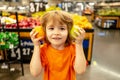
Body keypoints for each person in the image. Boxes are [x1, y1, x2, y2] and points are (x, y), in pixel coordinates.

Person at [30, 10, 86, 80]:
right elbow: (35, 72)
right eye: (51, 28)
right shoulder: (43, 50)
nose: (56, 33)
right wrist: (36, 46)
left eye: (62, 28)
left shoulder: (74, 48)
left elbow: (80, 71)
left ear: (69, 31)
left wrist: (79, 44)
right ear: (45, 31)